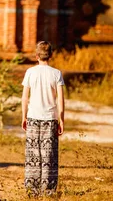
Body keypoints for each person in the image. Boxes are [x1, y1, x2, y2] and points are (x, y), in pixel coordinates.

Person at [22, 40, 65, 197]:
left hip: (33, 116)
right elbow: (60, 100)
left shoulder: (30, 72)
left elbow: (25, 98)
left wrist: (23, 116)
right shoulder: (56, 74)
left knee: (33, 155)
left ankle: (32, 189)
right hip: (50, 118)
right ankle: (48, 190)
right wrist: (61, 120)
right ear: (51, 55)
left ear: (36, 56)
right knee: (49, 155)